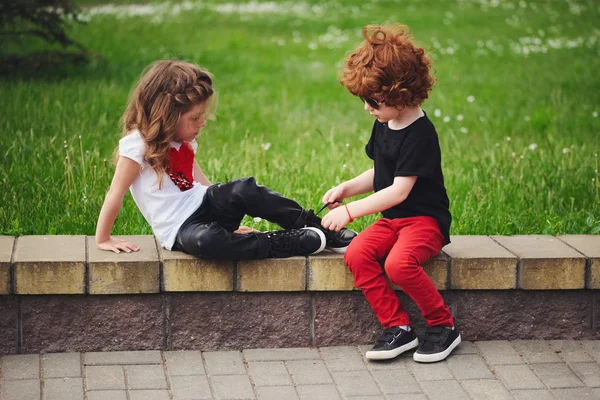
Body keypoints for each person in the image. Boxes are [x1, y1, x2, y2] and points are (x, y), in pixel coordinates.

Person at [95, 60, 356, 259]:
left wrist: (225, 219)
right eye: (195, 118)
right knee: (208, 242)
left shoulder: (184, 142)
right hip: (181, 229)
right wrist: (103, 238)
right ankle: (286, 242)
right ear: (167, 115)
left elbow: (199, 183)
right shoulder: (137, 145)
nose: (203, 123)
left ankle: (319, 227)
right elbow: (115, 194)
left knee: (243, 188)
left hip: (203, 204)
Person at [319, 24, 460, 363]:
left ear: (401, 94)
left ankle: (444, 326)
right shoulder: (385, 122)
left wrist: (350, 211)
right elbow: (381, 175)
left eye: (373, 101)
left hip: (424, 222)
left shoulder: (420, 134)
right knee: (356, 254)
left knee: (398, 265)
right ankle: (398, 328)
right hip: (393, 220)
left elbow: (399, 190)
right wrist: (347, 188)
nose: (368, 108)